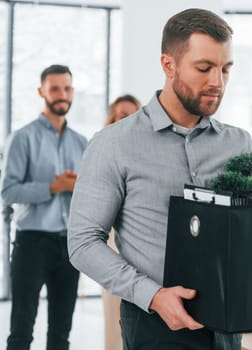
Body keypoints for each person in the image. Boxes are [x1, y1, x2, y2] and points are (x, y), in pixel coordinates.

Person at [68, 8, 252, 350]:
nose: (218, 82)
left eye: (226, 69)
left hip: (229, 326)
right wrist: (152, 296)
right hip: (153, 324)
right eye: (204, 68)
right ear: (169, 65)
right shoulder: (113, 144)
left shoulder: (240, 144)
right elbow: (82, 242)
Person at [1, 64, 87, 350]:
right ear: (42, 92)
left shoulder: (81, 143)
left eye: (67, 88)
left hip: (69, 246)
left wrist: (79, 187)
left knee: (61, 333)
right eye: (55, 89)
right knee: (22, 330)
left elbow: (89, 194)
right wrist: (53, 187)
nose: (62, 95)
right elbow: (8, 191)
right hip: (32, 245)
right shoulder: (22, 138)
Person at [101, 94, 141, 350]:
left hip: (144, 256)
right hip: (115, 249)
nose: (127, 120)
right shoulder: (105, 152)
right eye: (121, 115)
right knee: (115, 322)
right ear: (112, 119)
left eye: (133, 114)